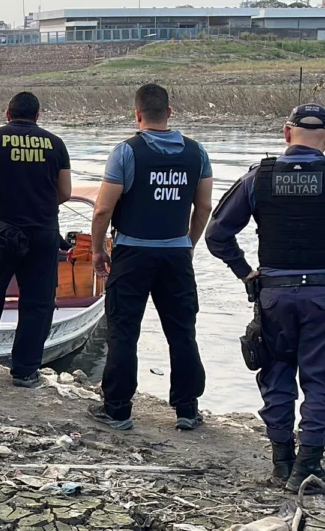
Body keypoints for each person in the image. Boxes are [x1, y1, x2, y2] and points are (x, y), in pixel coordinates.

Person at [206, 103, 325, 492]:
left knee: (275, 377)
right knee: (320, 382)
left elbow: (217, 235)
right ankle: (308, 467)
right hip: (322, 296)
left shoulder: (258, 177)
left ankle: (281, 465)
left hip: (273, 296)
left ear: (286, 133)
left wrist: (245, 272)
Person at [89, 83, 214, 431]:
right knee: (182, 331)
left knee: (124, 332)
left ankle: (118, 410)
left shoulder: (126, 153)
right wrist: (187, 243)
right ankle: (187, 409)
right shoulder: (197, 152)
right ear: (170, 113)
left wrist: (98, 250)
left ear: (137, 114)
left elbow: (102, 210)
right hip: (175, 254)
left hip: (132, 253)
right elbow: (203, 206)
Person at [0, 91, 73, 388]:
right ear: (38, 117)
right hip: (43, 232)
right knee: (38, 302)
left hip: (4, 233)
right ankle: (25, 371)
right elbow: (64, 192)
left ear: (7, 113)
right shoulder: (55, 143)